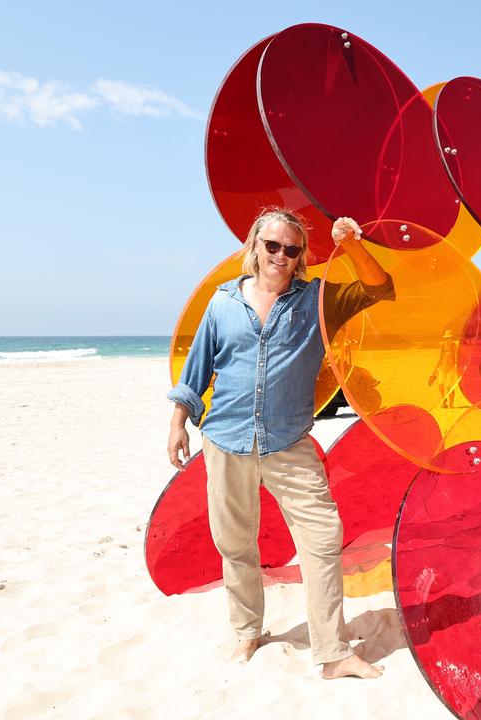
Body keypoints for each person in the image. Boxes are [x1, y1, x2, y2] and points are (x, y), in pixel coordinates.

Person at [166, 208, 392, 679]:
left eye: (291, 250)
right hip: (225, 440)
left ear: (301, 256)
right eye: (272, 246)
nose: (281, 256)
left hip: (289, 443)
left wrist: (351, 244)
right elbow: (198, 370)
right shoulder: (223, 301)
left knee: (324, 538)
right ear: (255, 247)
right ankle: (249, 631)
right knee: (236, 544)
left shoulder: (316, 301)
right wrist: (178, 422)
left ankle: (332, 653)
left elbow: (379, 288)